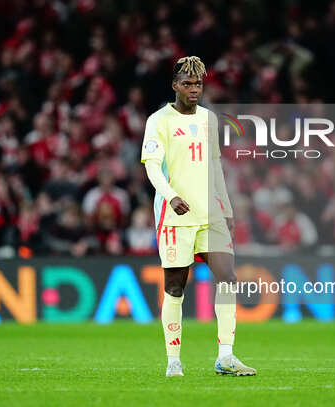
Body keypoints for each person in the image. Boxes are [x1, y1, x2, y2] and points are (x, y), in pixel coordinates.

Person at [141, 56, 256, 377]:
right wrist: (171, 196)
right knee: (176, 287)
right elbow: (152, 165)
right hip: (175, 215)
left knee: (228, 278)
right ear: (175, 85)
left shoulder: (209, 119)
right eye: (188, 84)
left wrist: (228, 209)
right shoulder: (159, 120)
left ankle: (226, 356)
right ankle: (173, 360)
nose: (194, 90)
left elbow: (215, 166)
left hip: (211, 214)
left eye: (199, 84)